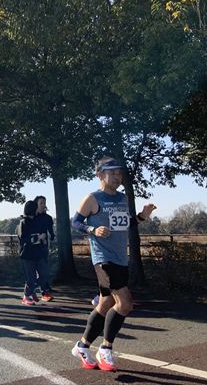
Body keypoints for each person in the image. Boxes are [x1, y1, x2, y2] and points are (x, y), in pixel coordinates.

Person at [70, 157, 156, 372]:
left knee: (105, 304)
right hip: (103, 259)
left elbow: (126, 223)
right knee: (125, 303)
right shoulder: (92, 198)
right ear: (100, 174)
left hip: (120, 258)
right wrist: (92, 229)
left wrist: (142, 216)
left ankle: (82, 346)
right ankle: (106, 348)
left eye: (120, 173)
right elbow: (75, 222)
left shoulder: (122, 198)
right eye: (113, 173)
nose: (118, 177)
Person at [18, 200, 50, 305]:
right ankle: (26, 296)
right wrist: (37, 237)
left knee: (43, 274)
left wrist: (44, 239)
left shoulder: (38, 220)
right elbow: (23, 239)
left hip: (39, 252)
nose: (38, 209)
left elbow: (43, 233)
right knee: (30, 277)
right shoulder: (23, 222)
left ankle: (32, 291)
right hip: (27, 254)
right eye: (36, 207)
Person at [34, 196, 55, 301]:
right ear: (36, 205)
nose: (43, 205)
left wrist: (51, 236)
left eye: (44, 203)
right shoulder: (32, 217)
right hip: (33, 248)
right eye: (41, 203)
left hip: (44, 246)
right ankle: (36, 289)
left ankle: (44, 289)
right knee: (38, 271)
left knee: (44, 269)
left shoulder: (48, 218)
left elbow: (51, 231)